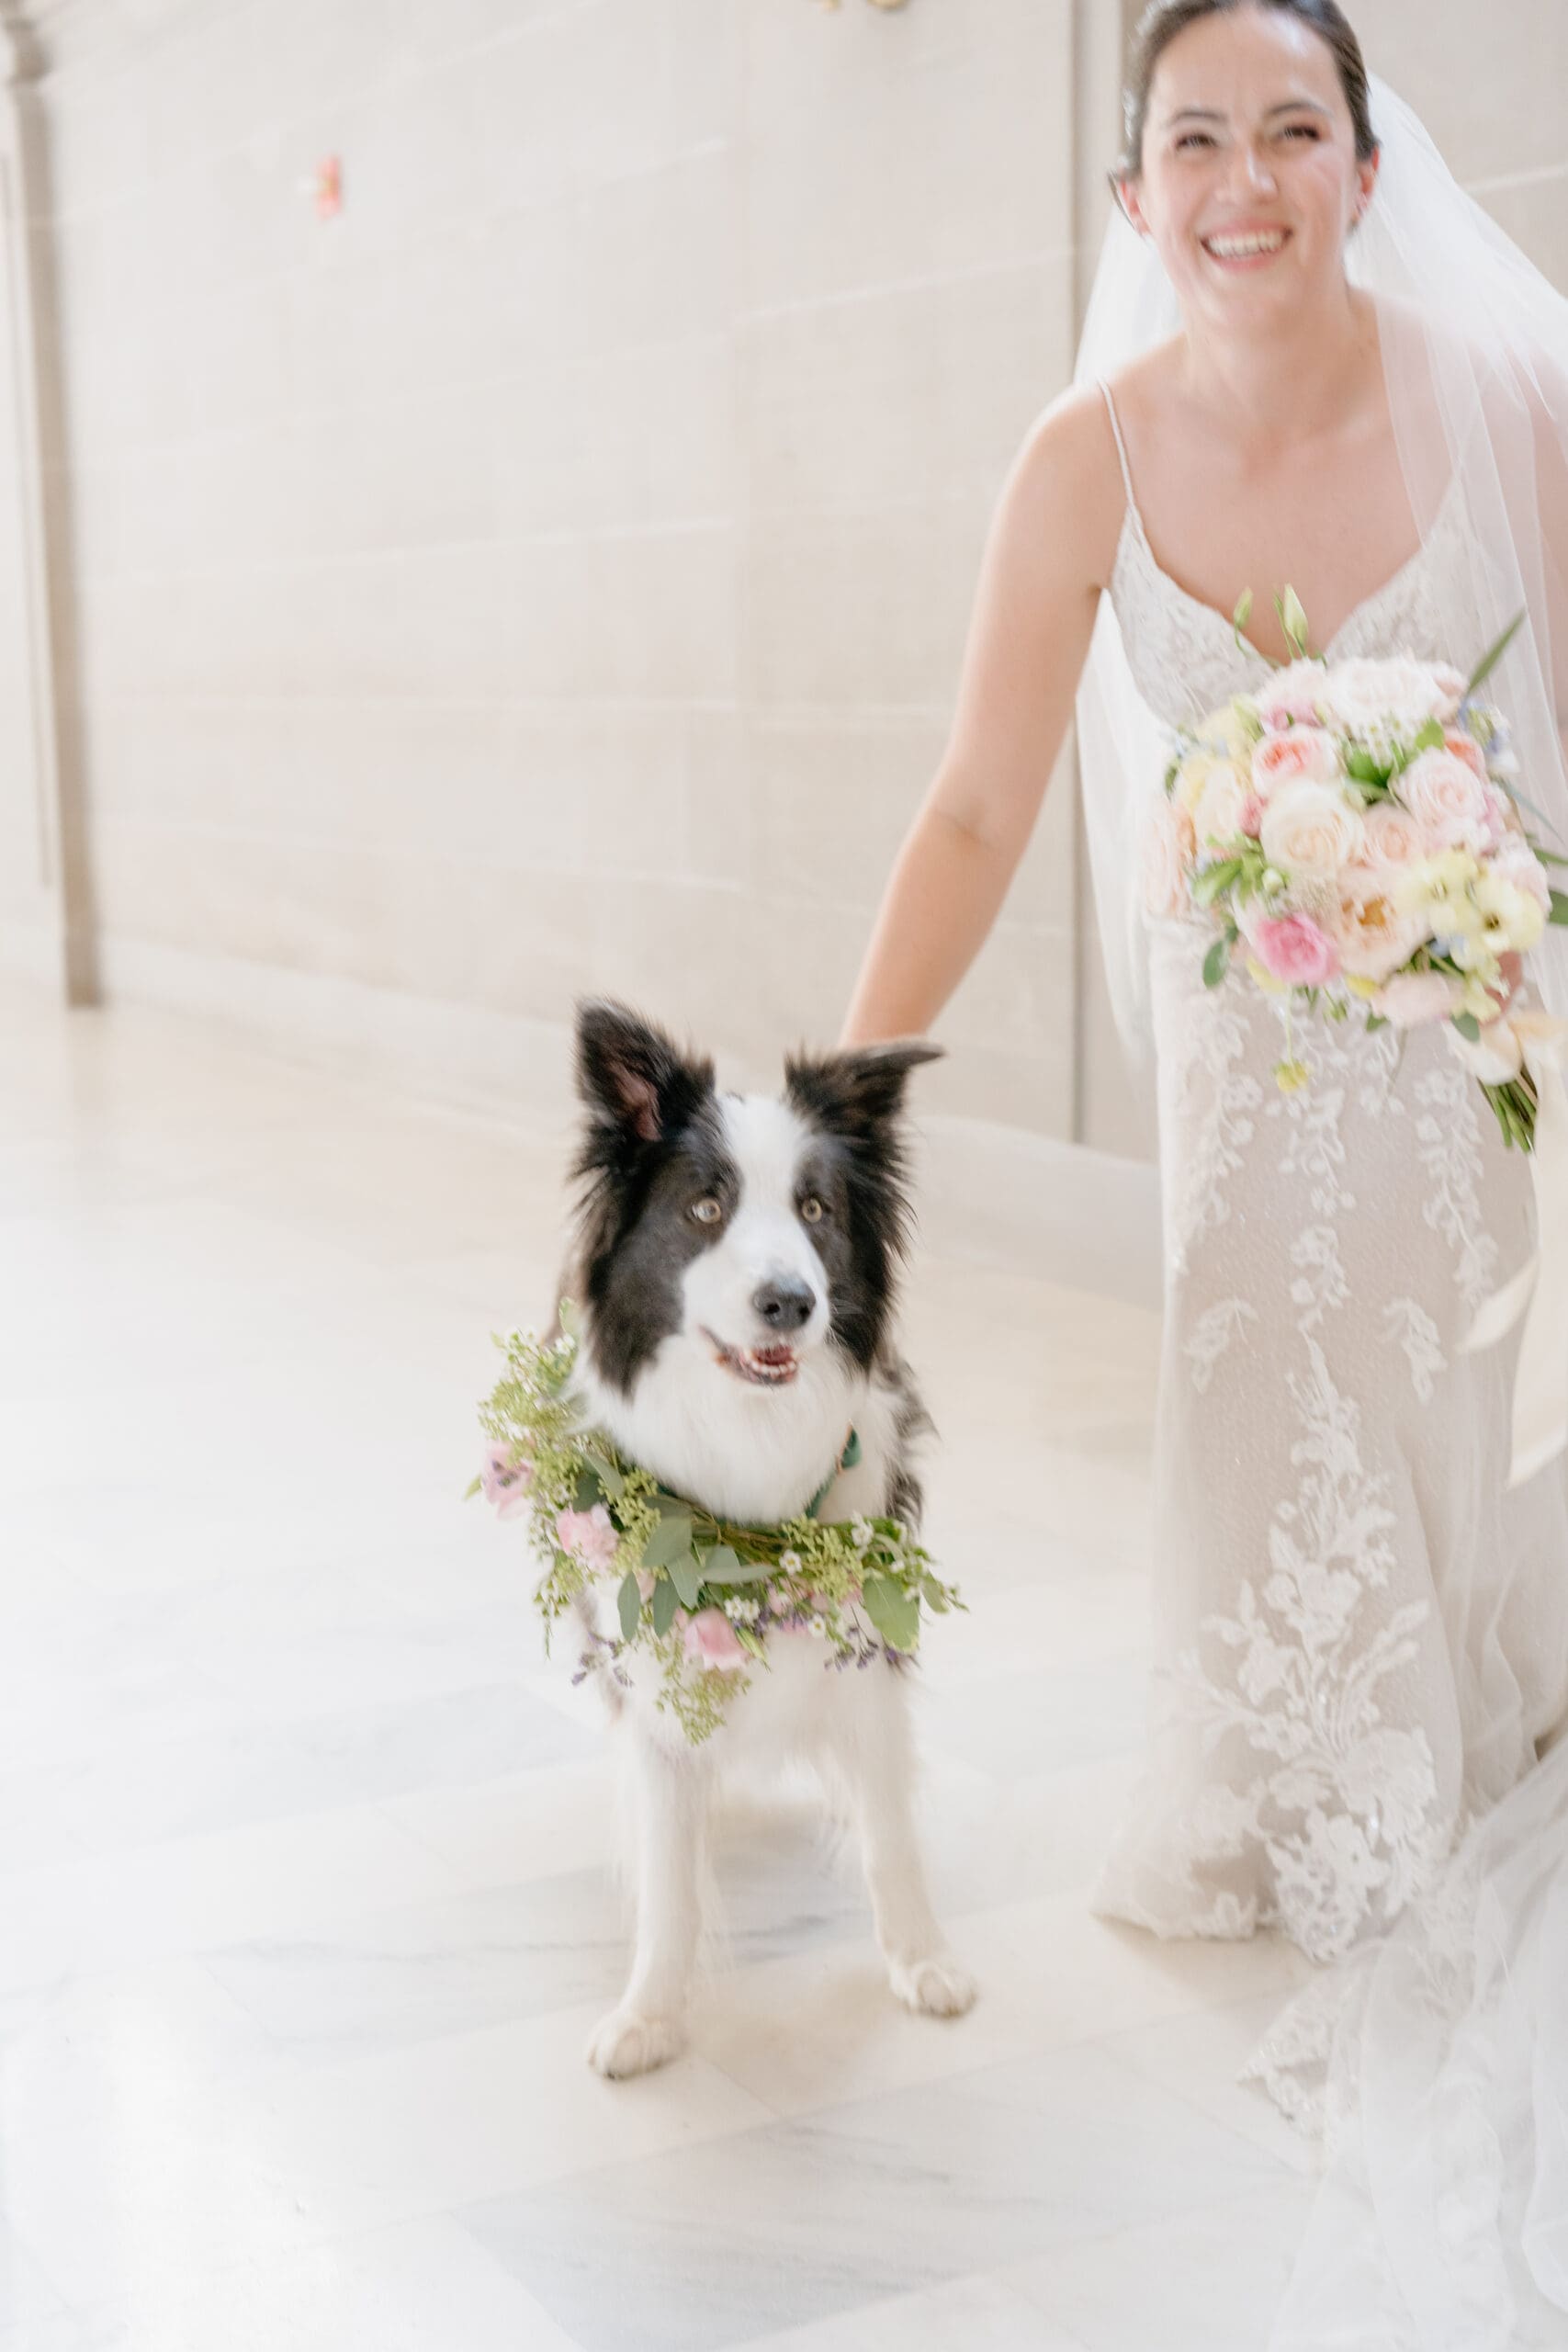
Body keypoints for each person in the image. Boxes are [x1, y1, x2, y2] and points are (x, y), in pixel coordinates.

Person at [843, 3, 1568, 2341]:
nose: (1239, 177)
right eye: (1191, 139)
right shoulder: (1081, 457)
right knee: (1247, 1397)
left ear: (1365, 165)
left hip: (1462, 1047)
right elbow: (972, 802)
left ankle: (1442, 1747)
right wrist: (840, 1100)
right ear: (1128, 198)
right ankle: (1274, 1776)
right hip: (1245, 1062)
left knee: (1441, 1401)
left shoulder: (1504, 409)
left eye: (1289, 128)